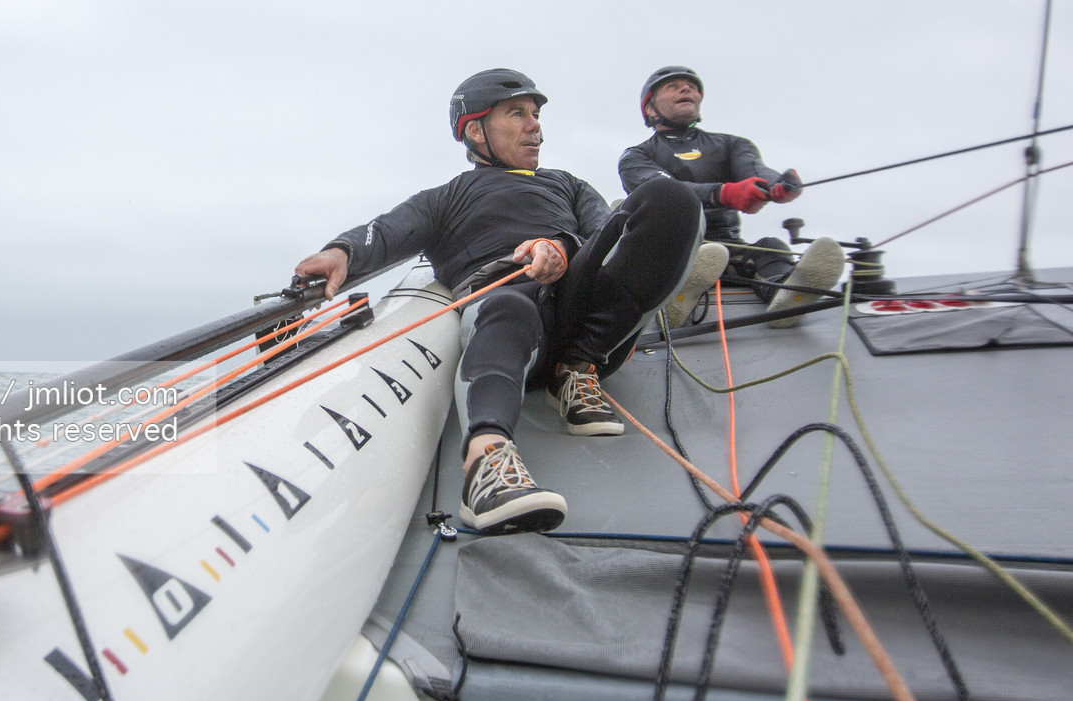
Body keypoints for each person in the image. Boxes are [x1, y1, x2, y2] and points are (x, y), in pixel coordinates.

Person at [293, 69, 704, 534]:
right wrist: (339, 251)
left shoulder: (566, 184)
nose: (536, 127)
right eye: (517, 114)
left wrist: (559, 247)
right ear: (474, 130)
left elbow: (603, 236)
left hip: (582, 310)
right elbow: (385, 233)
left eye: (536, 115)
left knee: (671, 198)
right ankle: (486, 467)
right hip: (506, 310)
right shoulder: (446, 197)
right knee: (509, 305)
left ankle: (577, 370)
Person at [618, 65, 845, 329]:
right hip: (671, 251)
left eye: (691, 87)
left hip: (728, 254)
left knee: (770, 246)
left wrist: (776, 184)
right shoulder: (635, 158)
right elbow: (666, 192)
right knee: (690, 257)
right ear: (649, 108)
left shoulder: (732, 145)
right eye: (673, 86)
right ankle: (674, 297)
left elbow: (755, 170)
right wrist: (723, 193)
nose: (686, 89)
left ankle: (786, 296)